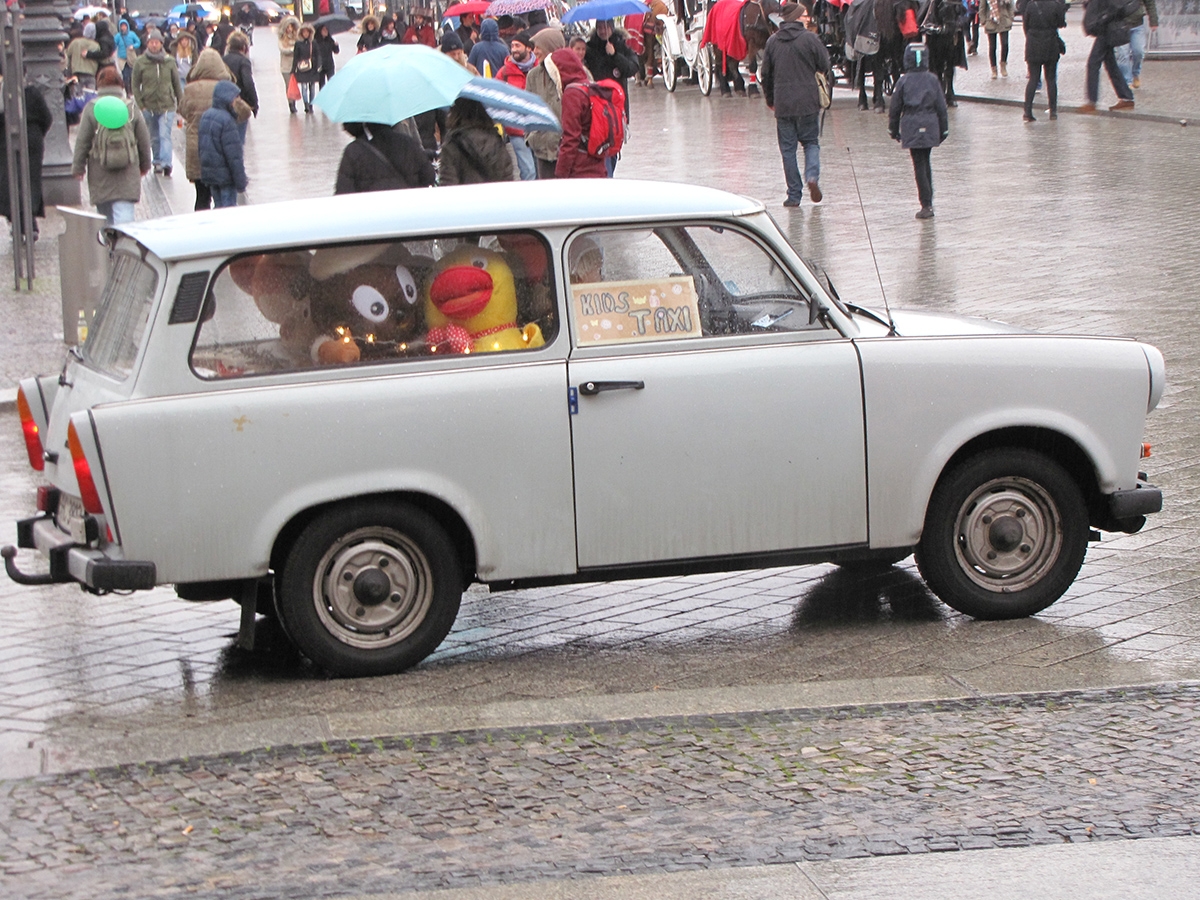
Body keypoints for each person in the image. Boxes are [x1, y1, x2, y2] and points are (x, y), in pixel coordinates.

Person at [760, 2, 831, 208]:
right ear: (797, 18)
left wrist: (770, 100)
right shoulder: (810, 39)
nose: (806, 18)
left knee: (788, 150)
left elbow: (765, 74)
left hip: (783, 105)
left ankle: (794, 195)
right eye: (804, 15)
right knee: (811, 143)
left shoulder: (773, 42)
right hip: (808, 102)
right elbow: (824, 65)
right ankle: (812, 176)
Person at [71, 65, 152, 226]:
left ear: (98, 85)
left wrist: (78, 168)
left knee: (106, 221)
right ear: (120, 84)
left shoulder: (92, 108)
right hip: (127, 172)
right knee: (125, 223)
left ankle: (109, 250)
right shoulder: (131, 107)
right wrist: (145, 165)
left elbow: (82, 142)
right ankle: (124, 249)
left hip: (100, 172)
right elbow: (144, 140)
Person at [180, 48, 252, 209]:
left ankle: (202, 228)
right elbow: (245, 112)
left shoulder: (189, 89)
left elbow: (183, 111)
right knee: (224, 200)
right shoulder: (225, 88)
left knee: (202, 197)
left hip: (197, 149)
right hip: (220, 151)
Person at [888, 42, 949, 220]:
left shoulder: (903, 81)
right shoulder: (932, 79)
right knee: (926, 161)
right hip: (930, 123)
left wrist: (893, 129)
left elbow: (895, 108)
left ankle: (925, 203)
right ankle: (929, 200)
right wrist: (943, 129)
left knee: (919, 164)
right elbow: (941, 107)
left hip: (912, 124)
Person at [0, 78, 53, 239]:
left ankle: (19, 222)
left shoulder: (4, 94)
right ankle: (29, 223)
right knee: (30, 180)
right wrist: (37, 133)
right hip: (33, 139)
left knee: (11, 182)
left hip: (7, 141)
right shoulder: (32, 93)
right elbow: (47, 117)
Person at [131, 28, 182, 176]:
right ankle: (157, 161)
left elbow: (176, 83)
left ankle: (167, 163)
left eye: (157, 42)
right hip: (149, 106)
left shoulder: (169, 61)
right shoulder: (140, 62)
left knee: (164, 134)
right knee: (153, 136)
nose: (154, 45)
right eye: (151, 42)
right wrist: (141, 104)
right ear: (147, 44)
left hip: (167, 105)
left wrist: (180, 103)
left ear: (161, 44)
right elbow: (134, 84)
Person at [334, 122, 436, 194]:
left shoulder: (353, 151)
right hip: (406, 214)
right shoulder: (408, 143)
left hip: (370, 218)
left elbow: (343, 193)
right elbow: (429, 176)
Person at [551, 47, 606, 179]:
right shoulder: (589, 86)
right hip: (597, 161)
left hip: (580, 167)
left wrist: (561, 173)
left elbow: (570, 138)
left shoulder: (572, 94)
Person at [437, 98, 513, 185]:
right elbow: (507, 180)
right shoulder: (496, 141)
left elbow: (448, 185)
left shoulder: (451, 145)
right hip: (494, 197)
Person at [198, 80, 247, 208]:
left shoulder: (206, 116)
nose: (238, 101)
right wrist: (241, 182)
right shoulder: (227, 121)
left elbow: (202, 148)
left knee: (218, 209)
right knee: (228, 212)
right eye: (236, 97)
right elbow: (234, 156)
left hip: (212, 177)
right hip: (226, 178)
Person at [497, 30, 539, 181]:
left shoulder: (539, 68)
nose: (514, 49)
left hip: (538, 128)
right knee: (528, 171)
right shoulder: (505, 72)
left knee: (539, 172)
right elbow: (496, 96)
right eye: (512, 45)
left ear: (529, 48)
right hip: (517, 130)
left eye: (518, 45)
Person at [525, 28, 566, 179]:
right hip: (542, 150)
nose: (534, 51)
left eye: (538, 47)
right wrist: (530, 138)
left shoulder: (571, 71)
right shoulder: (533, 76)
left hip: (566, 150)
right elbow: (528, 109)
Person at [1081, 0, 1135, 111]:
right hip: (1104, 30)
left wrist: (1102, 19)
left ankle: (1092, 102)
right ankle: (1126, 97)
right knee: (1111, 65)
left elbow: (1115, 7)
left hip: (1106, 31)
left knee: (1093, 63)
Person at [1018, 0, 1067, 121]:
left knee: (1033, 79)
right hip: (1050, 43)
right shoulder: (1055, 5)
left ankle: (1027, 112)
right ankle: (1053, 111)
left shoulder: (1030, 5)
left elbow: (1026, 25)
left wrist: (1032, 36)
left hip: (1033, 44)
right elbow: (1061, 23)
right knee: (1051, 79)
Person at [583, 20, 639, 111]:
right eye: (599, 28)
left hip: (618, 101)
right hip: (598, 100)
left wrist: (615, 55)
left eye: (605, 27)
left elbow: (633, 68)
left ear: (612, 28)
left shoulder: (622, 45)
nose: (602, 31)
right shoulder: (590, 48)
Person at [223, 31, 258, 141]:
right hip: (240, 102)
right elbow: (248, 82)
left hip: (224, 101)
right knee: (239, 137)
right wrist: (254, 103)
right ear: (244, 47)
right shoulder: (244, 61)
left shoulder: (222, 60)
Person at [1115, 0, 1157, 89]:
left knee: (1138, 52)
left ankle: (1135, 74)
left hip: (1137, 25)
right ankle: (1127, 82)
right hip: (1120, 25)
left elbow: (1150, 2)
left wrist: (1153, 20)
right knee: (1123, 55)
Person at [978, 0, 1015, 77]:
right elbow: (982, 8)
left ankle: (1003, 64)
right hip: (991, 21)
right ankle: (994, 69)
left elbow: (1011, 6)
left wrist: (1011, 17)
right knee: (992, 47)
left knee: (1005, 44)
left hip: (1004, 21)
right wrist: (983, 21)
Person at [291, 23, 321, 115]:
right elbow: (295, 57)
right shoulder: (298, 43)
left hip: (312, 68)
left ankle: (311, 105)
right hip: (302, 68)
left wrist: (319, 65)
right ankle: (306, 105)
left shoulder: (314, 43)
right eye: (304, 32)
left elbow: (318, 54)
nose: (306, 34)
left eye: (307, 32)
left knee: (312, 87)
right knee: (304, 87)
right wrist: (293, 69)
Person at [65, 24, 101, 91]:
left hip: (76, 74)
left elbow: (67, 56)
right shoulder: (96, 45)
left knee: (78, 96)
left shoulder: (75, 42)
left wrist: (68, 72)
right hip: (91, 73)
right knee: (90, 96)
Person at [278, 16, 300, 114]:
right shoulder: (282, 39)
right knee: (289, 85)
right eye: (287, 27)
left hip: (296, 66)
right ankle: (291, 104)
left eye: (291, 27)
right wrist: (293, 49)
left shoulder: (297, 38)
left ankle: (297, 102)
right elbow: (283, 49)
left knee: (295, 85)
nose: (289, 29)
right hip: (286, 67)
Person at [113, 19, 140, 92]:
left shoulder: (132, 34)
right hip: (122, 58)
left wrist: (133, 46)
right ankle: (127, 91)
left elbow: (138, 42)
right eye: (122, 26)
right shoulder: (118, 36)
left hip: (131, 57)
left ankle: (132, 90)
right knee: (125, 75)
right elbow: (114, 44)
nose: (123, 28)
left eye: (124, 26)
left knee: (132, 75)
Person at [314, 24, 339, 88]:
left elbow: (336, 51)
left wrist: (336, 46)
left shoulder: (330, 40)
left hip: (329, 64)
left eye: (326, 29)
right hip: (320, 65)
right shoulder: (316, 41)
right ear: (320, 31)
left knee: (332, 82)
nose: (326, 31)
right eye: (324, 30)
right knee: (322, 85)